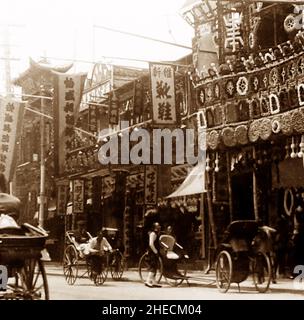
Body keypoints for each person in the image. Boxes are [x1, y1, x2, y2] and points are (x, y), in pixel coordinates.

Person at [145, 222, 162, 288]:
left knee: (155, 267)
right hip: (152, 253)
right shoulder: (153, 234)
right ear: (155, 227)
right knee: (152, 267)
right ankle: (148, 281)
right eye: (158, 225)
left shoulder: (156, 233)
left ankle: (154, 282)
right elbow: (151, 244)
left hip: (154, 253)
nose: (159, 226)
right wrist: (155, 251)